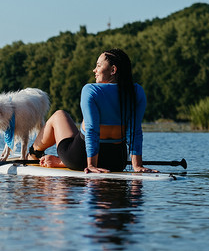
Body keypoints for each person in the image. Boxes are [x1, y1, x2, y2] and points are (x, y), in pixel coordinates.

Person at [27, 48, 158, 174]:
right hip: (117, 161)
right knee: (77, 133)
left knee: (59, 115)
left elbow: (91, 130)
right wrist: (137, 165)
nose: (94, 70)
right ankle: (60, 161)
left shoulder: (91, 90)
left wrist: (91, 165)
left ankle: (33, 154)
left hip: (80, 158)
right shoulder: (137, 91)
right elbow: (135, 131)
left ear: (113, 70)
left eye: (98, 66)